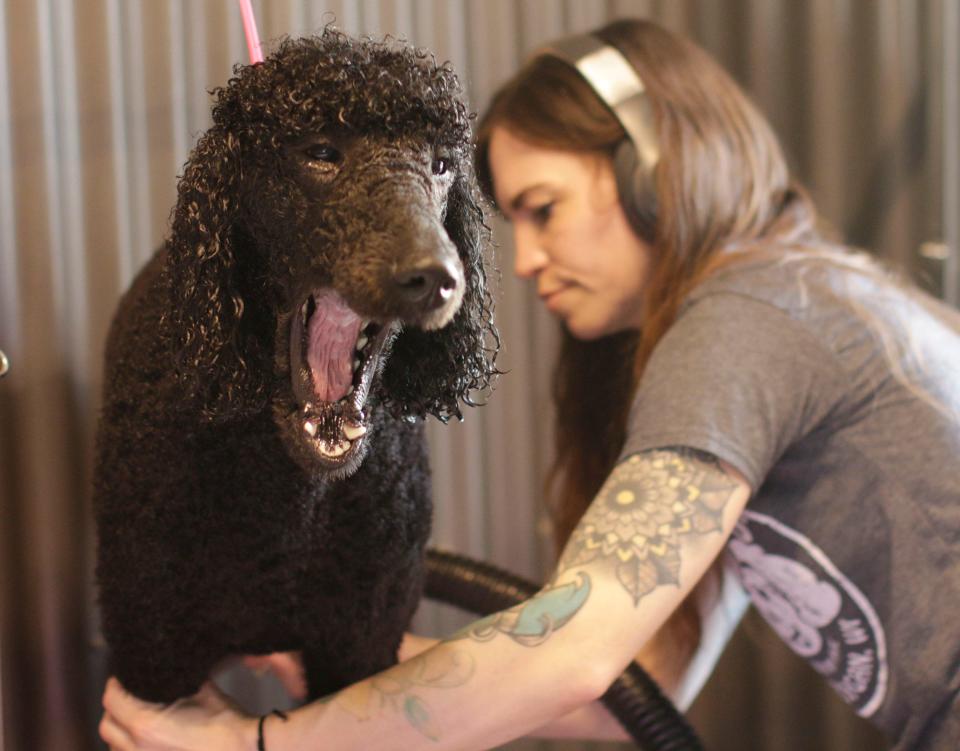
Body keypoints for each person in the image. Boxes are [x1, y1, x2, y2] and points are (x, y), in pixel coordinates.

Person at [99, 18, 960, 751]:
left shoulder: (744, 330)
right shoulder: (800, 291)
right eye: (512, 222)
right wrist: (368, 660)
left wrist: (260, 740)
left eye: (543, 210)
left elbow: (575, 655)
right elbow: (638, 685)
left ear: (656, 176)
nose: (526, 262)